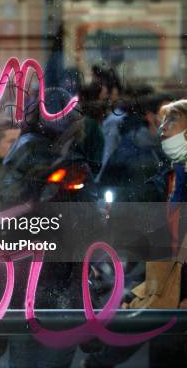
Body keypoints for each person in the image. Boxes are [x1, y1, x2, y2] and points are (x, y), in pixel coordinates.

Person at [83, 99, 187, 367]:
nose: (163, 129)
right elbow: (150, 193)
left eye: (172, 122)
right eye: (163, 121)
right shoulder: (173, 170)